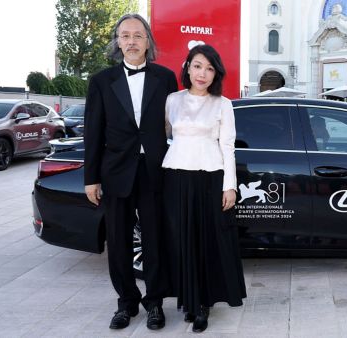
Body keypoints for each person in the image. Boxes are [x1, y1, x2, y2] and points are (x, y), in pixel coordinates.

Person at [83, 14, 178, 330]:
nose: (132, 41)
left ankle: (154, 303)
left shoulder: (165, 78)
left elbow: (176, 126)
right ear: (118, 42)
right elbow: (93, 133)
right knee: (119, 242)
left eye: (138, 35)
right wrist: (91, 178)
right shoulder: (101, 81)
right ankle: (126, 303)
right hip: (115, 173)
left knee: (154, 240)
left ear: (148, 41)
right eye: (126, 35)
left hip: (154, 171)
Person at [162, 44, 246, 333]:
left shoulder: (223, 103)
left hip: (211, 177)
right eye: (197, 66)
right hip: (174, 176)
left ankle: (204, 304)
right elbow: (162, 137)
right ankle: (189, 300)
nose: (203, 73)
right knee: (180, 239)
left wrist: (230, 187)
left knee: (207, 240)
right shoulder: (172, 100)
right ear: (187, 67)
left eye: (210, 68)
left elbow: (228, 147)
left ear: (216, 74)